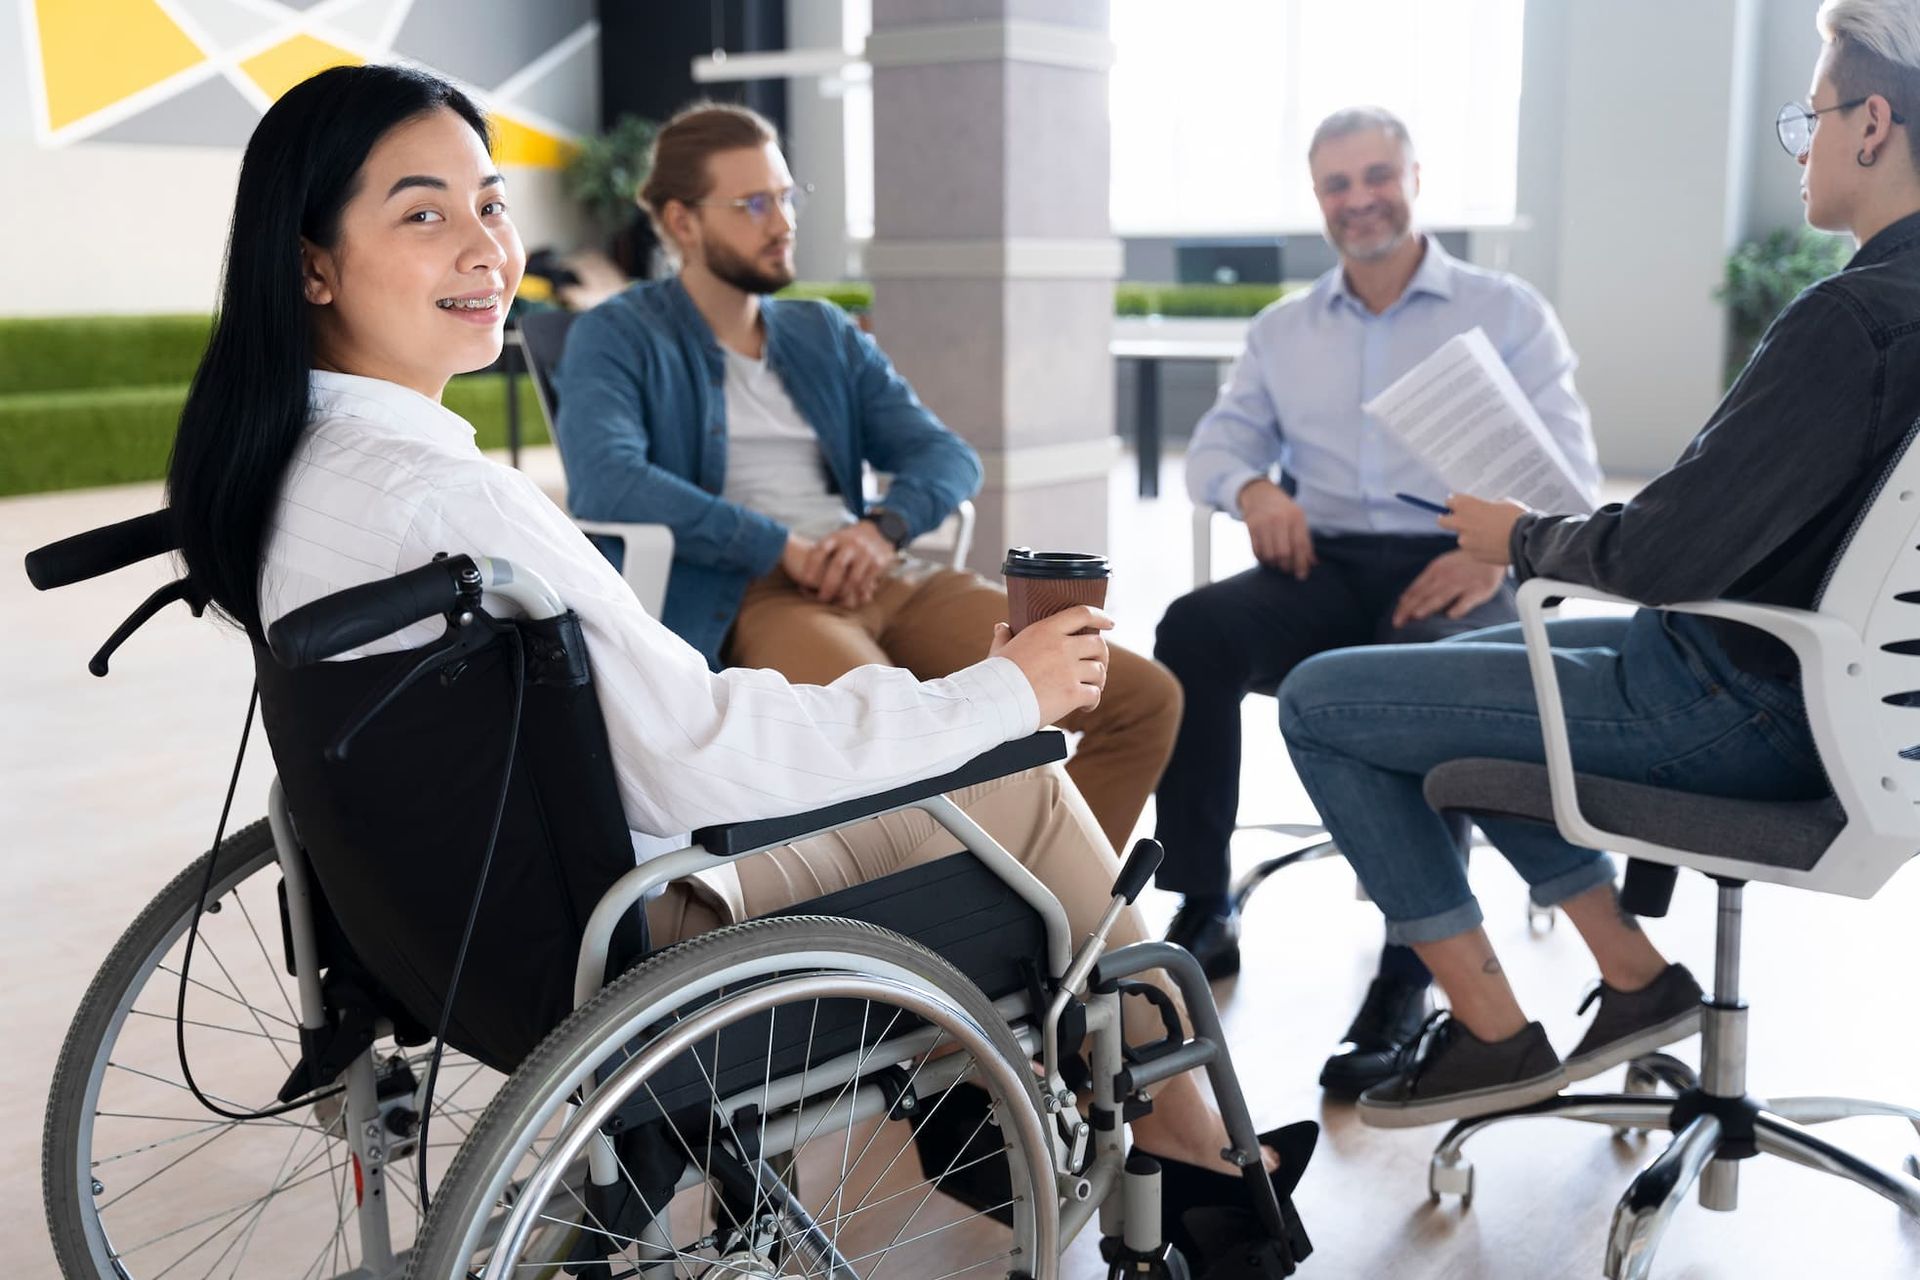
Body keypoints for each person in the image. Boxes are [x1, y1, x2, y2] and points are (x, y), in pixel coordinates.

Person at [160, 62, 1303, 1231]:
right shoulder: (474, 485)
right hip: (638, 903)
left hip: (463, 921)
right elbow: (700, 749)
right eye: (423, 212)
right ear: (311, 263)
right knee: (1017, 782)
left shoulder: (292, 472)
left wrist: (884, 534)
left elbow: (936, 456)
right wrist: (995, 695)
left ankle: (1047, 1058)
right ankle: (1201, 1162)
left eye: (491, 203)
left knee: (1076, 715)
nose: (483, 245)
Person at [1275, 0, 1920, 1127]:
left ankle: (1492, 1034)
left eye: (1805, 118)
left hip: (1737, 703)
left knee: (1322, 699)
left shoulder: (1849, 319)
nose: (1802, 144)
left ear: (1872, 124)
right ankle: (1634, 979)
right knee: (1481, 664)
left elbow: (1667, 550)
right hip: (1853, 705)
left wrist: (1515, 538)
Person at [549, 102, 1181, 856]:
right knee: (901, 753)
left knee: (1139, 698)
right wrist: (780, 547)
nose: (783, 221)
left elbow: (948, 457)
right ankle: (972, 936)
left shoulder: (822, 333)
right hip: (757, 597)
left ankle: (1060, 940)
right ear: (683, 222)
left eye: (787, 196)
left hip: (886, 574)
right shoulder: (618, 335)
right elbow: (609, 481)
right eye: (754, 203)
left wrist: (879, 530)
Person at [1152, 105, 1601, 1097]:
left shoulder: (1507, 310)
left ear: (1415, 176)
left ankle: (1414, 968)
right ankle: (1201, 899)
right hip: (1323, 562)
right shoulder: (1283, 329)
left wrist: (1500, 558)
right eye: (1337, 184)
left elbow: (1572, 479)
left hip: (1458, 563)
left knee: (1434, 682)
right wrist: (1256, 490)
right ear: (1319, 201)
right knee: (1194, 629)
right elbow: (1221, 447)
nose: (1359, 199)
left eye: (1376, 176)